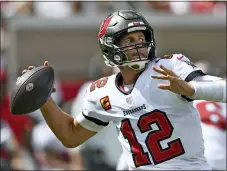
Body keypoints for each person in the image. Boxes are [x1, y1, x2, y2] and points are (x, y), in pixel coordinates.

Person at [20, 10, 226, 170]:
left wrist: (192, 89)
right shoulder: (102, 92)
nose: (139, 46)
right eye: (129, 40)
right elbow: (71, 136)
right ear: (110, 47)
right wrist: (44, 100)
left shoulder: (170, 67)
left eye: (141, 39)